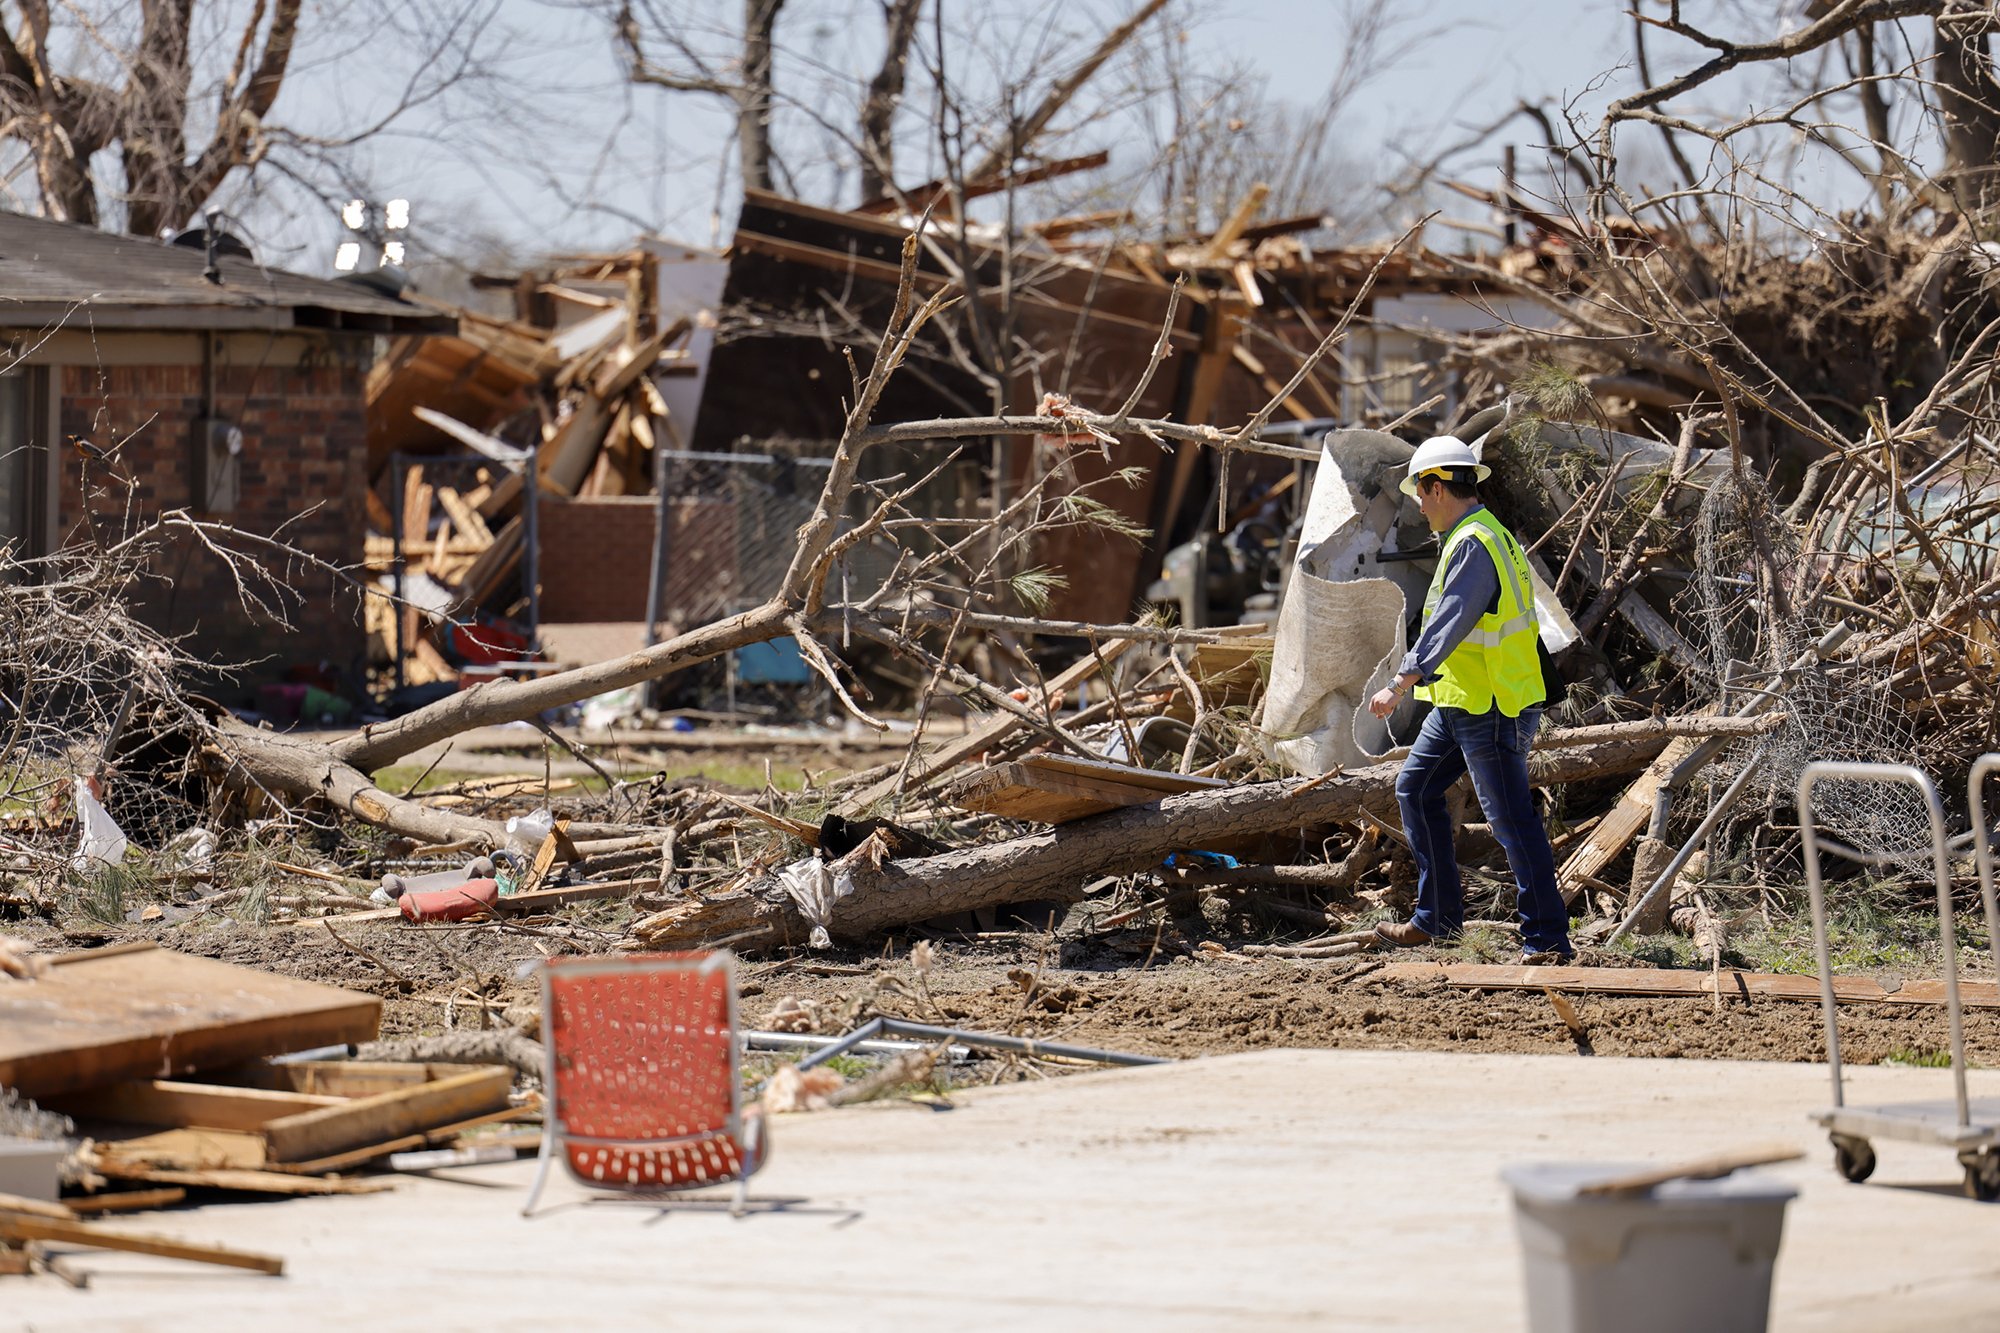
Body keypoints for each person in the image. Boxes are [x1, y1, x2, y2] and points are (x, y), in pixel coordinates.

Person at [1366, 435, 1573, 964]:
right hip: (1465, 701)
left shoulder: (1474, 542)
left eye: (1420, 491)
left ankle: (1547, 939)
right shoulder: (1481, 534)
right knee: (1415, 789)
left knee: (1510, 821)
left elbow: (1450, 621)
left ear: (1437, 488)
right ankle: (1437, 919)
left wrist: (1400, 682)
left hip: (1495, 707)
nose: (1417, 502)